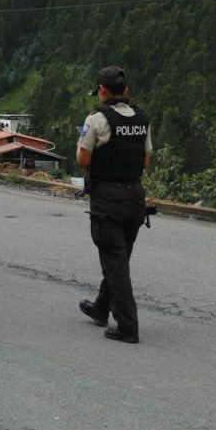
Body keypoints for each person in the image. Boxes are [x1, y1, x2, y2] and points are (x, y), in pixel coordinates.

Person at [76, 66, 153, 344]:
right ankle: (101, 307)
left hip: (108, 199)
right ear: (126, 91)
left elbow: (83, 160)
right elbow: (145, 161)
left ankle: (128, 326)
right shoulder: (142, 119)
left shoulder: (97, 120)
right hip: (135, 197)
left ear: (102, 91)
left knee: (115, 261)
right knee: (118, 258)